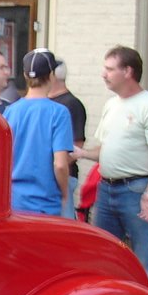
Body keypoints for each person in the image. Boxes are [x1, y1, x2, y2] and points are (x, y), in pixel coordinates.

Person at [72, 45, 148, 294]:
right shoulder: (111, 105)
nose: (103, 74)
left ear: (128, 71)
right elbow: (104, 149)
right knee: (104, 257)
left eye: (109, 69)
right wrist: (82, 154)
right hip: (106, 190)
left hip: (136, 190)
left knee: (144, 261)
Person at [3, 48, 73, 216]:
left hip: (13, 202)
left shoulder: (10, 112)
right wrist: (65, 193)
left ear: (26, 77)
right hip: (45, 204)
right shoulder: (59, 113)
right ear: (51, 76)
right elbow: (60, 164)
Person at [49, 57, 87, 219]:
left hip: (63, 177)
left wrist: (57, 165)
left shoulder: (72, 104)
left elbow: (76, 146)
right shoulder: (46, 103)